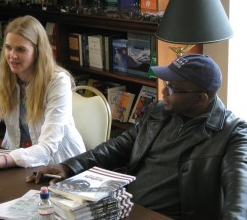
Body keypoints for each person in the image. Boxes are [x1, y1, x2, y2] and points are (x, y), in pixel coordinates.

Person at [26, 54, 247, 220]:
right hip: (124, 208)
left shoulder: (233, 134)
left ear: (200, 99)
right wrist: (69, 166)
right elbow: (120, 145)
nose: (163, 92)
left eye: (172, 88)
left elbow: (240, 197)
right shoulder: (160, 111)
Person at [0, 15, 85, 176]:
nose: (12, 55)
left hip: (58, 166)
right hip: (17, 163)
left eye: (20, 49)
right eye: (8, 47)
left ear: (37, 51)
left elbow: (47, 148)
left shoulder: (58, 81)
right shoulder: (0, 74)